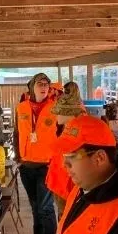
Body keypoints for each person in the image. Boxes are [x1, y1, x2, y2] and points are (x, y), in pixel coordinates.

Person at [13, 72, 58, 234]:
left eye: (47, 84)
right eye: (40, 83)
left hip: (46, 166)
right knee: (35, 208)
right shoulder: (21, 107)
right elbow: (17, 132)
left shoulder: (56, 107)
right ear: (32, 87)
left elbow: (63, 133)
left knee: (46, 209)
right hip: (26, 166)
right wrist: (18, 158)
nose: (44, 87)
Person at [46, 81, 86, 217]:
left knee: (66, 218)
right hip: (61, 184)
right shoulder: (69, 129)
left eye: (59, 112)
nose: (56, 115)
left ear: (69, 112)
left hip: (68, 188)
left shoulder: (79, 132)